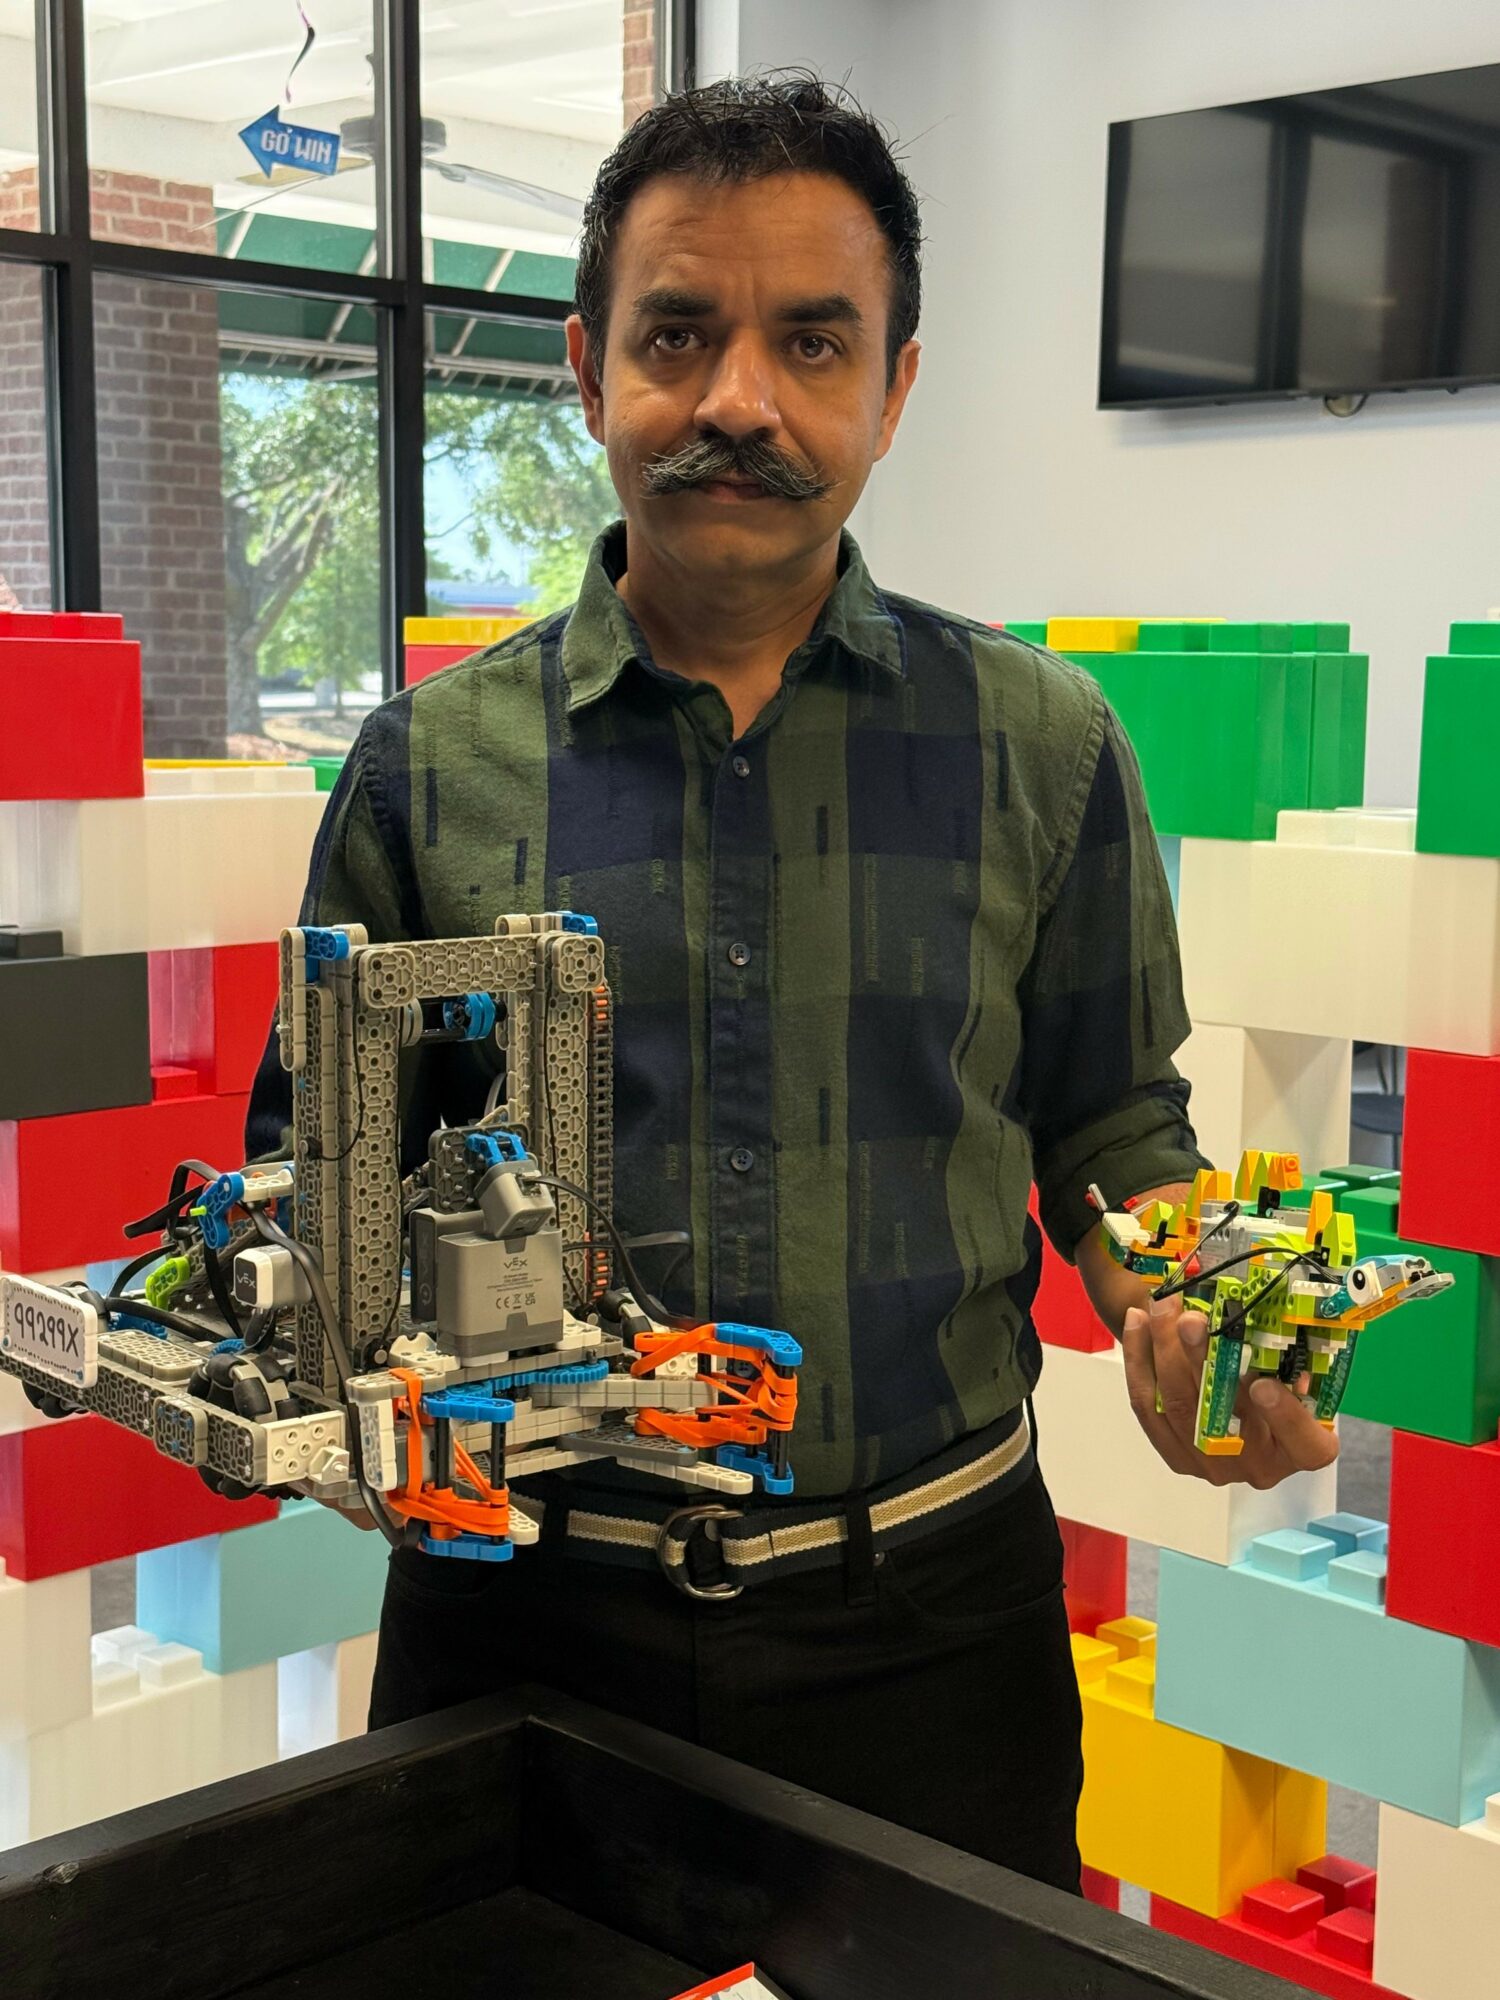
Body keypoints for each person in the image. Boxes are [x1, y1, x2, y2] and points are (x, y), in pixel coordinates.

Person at [247, 72, 1338, 1892]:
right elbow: (327, 1167)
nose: (738, 400)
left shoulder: (1042, 743)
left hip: (930, 1637)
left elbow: (1112, 1120)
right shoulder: (428, 768)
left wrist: (1192, 1312)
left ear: (895, 387)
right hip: (518, 1619)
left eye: (814, 343)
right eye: (679, 335)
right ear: (591, 372)